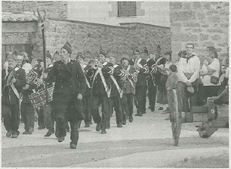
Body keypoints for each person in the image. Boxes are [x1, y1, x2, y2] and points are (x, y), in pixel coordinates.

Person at [44, 42, 86, 149]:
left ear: (69, 54)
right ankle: (61, 133)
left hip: (73, 96)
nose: (61, 54)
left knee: (74, 121)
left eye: (64, 52)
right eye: (60, 52)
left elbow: (82, 79)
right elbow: (50, 78)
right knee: (59, 117)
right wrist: (46, 77)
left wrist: (81, 92)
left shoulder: (75, 64)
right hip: (60, 96)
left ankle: (74, 141)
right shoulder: (57, 65)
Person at [2, 54, 26, 138]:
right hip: (5, 97)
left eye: (12, 61)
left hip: (15, 97)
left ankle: (15, 130)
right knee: (6, 114)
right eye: (9, 61)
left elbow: (23, 83)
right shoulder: (4, 72)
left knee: (15, 115)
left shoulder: (21, 71)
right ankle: (9, 129)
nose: (10, 63)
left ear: (16, 62)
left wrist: (16, 81)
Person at [88, 49, 111, 134]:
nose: (100, 58)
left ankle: (103, 127)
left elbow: (110, 72)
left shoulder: (108, 65)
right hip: (95, 91)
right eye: (99, 56)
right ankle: (98, 121)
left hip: (104, 90)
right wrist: (92, 67)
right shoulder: (95, 67)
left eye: (101, 56)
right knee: (93, 108)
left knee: (105, 110)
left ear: (105, 58)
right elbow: (89, 75)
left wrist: (102, 66)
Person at [177, 43, 200, 122]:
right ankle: (186, 115)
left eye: (190, 48)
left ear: (193, 49)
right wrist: (186, 81)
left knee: (193, 98)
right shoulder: (182, 59)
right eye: (188, 48)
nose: (189, 49)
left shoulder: (196, 58)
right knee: (184, 98)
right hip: (184, 80)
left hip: (193, 79)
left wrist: (190, 81)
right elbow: (180, 71)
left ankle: (193, 115)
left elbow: (197, 71)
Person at [116, 57, 137, 124]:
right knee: (123, 103)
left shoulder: (132, 68)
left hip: (130, 88)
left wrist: (129, 75)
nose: (124, 63)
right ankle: (124, 117)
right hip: (123, 88)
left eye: (126, 62)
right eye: (123, 62)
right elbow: (118, 76)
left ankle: (130, 115)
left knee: (130, 103)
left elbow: (135, 77)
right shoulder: (119, 69)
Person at [130, 49, 149, 116]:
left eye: (137, 54)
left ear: (139, 55)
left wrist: (139, 69)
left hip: (141, 81)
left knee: (141, 96)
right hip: (134, 81)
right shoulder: (131, 62)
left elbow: (147, 71)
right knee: (136, 96)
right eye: (135, 54)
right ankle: (139, 109)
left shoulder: (143, 61)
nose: (136, 55)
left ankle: (142, 109)